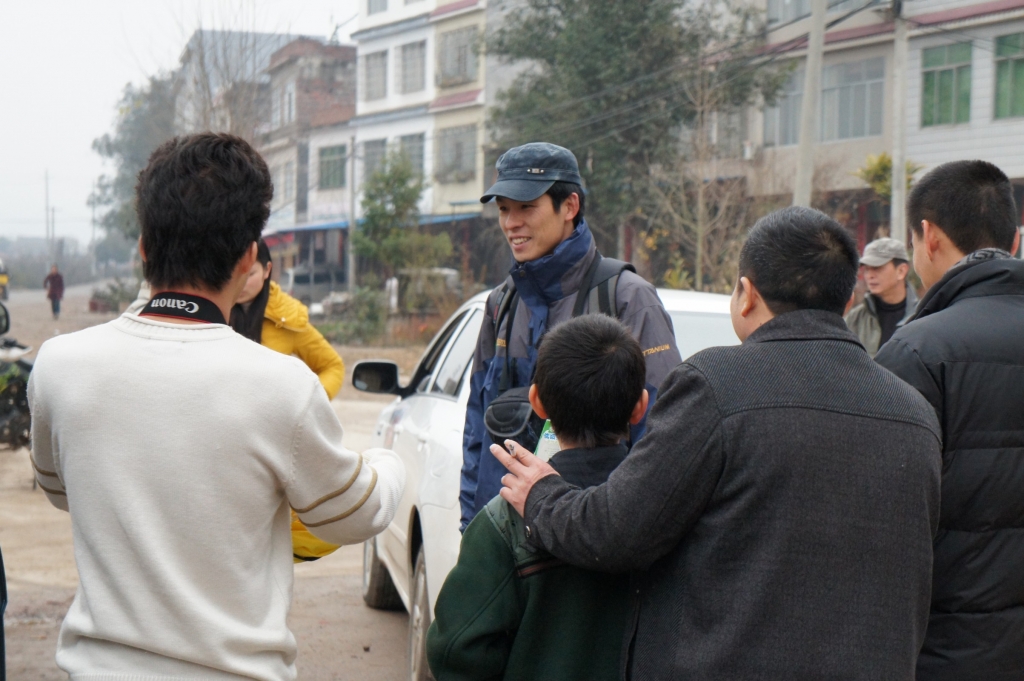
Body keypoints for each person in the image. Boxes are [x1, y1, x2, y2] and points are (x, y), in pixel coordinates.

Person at [494, 206, 943, 680]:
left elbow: (616, 533)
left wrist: (542, 495)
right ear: (844, 295)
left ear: (746, 295)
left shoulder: (716, 386)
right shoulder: (914, 413)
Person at [28, 133, 405, 681]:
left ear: (142, 247)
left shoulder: (59, 365)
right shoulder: (280, 386)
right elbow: (354, 514)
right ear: (248, 256)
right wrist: (388, 462)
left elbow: (61, 490)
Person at [460, 142, 681, 530]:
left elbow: (663, 433)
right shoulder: (501, 305)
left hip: (595, 539)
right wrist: (472, 528)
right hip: (508, 539)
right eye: (503, 210)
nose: (511, 222)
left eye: (526, 207)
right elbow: (478, 431)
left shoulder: (628, 298)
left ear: (570, 207)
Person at [427, 314, 648, 681]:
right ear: (639, 407)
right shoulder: (668, 507)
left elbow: (454, 650)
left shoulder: (505, 520)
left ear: (537, 402)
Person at [874, 160, 1024, 681]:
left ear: (928, 237)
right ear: (1016, 239)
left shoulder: (916, 351)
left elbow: (884, 518)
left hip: (946, 648)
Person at [230, 239, 346, 563]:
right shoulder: (214, 311)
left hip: (271, 438)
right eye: (234, 273)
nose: (241, 282)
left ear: (267, 270)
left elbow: (332, 366)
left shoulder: (287, 318)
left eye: (249, 273)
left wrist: (307, 406)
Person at [845, 237, 919, 356]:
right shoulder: (855, 319)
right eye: (867, 269)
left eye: (877, 268)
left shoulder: (922, 316)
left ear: (901, 271)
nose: (869, 276)